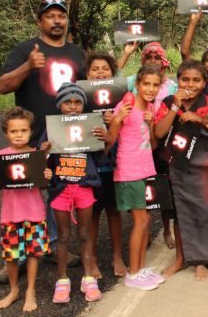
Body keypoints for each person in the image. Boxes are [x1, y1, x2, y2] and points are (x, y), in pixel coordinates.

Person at [0, 0, 85, 283]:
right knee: (23, 193)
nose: (57, 20)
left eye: (61, 15)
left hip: (67, 135)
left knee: (58, 191)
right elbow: (2, 86)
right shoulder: (24, 50)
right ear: (40, 21)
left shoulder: (77, 53)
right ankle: (18, 255)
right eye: (50, 16)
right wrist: (27, 67)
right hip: (30, 137)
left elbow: (89, 92)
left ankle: (51, 245)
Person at [40, 83, 106, 304]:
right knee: (63, 236)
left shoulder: (90, 125)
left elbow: (102, 158)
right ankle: (62, 280)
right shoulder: (51, 128)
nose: (73, 107)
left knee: (85, 234)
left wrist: (102, 139)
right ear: (60, 105)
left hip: (84, 186)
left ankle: (88, 278)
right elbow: (40, 162)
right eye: (68, 102)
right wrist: (44, 151)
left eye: (78, 102)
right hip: (61, 189)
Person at [0, 107, 52, 312]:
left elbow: (43, 185)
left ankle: (30, 290)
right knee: (11, 255)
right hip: (10, 214)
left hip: (34, 212)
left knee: (33, 253)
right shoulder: (0, 156)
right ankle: (14, 290)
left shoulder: (36, 156)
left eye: (23, 130)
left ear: (30, 131)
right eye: (14, 131)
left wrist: (47, 177)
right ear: (6, 133)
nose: (19, 135)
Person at [107, 65, 164, 291]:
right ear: (137, 84)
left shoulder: (149, 106)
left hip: (145, 169)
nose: (150, 88)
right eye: (146, 84)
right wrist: (117, 118)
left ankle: (140, 269)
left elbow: (153, 144)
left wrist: (151, 123)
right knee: (140, 222)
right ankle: (133, 273)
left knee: (146, 221)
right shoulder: (126, 105)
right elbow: (110, 139)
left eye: (155, 85)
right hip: (129, 170)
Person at [154, 59, 208, 281]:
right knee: (180, 214)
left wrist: (199, 120)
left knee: (201, 212)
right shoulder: (169, 101)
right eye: (185, 79)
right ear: (177, 81)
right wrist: (176, 107)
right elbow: (159, 133)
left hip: (204, 165)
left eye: (197, 80)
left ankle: (201, 260)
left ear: (204, 82)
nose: (191, 84)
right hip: (175, 166)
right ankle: (180, 258)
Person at [83, 52, 127, 279]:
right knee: (92, 214)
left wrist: (115, 122)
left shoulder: (120, 98)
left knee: (114, 211)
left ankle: (117, 255)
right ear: (87, 74)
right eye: (94, 69)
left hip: (115, 163)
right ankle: (91, 258)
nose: (100, 72)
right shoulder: (80, 99)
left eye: (105, 69)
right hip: (90, 165)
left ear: (113, 73)